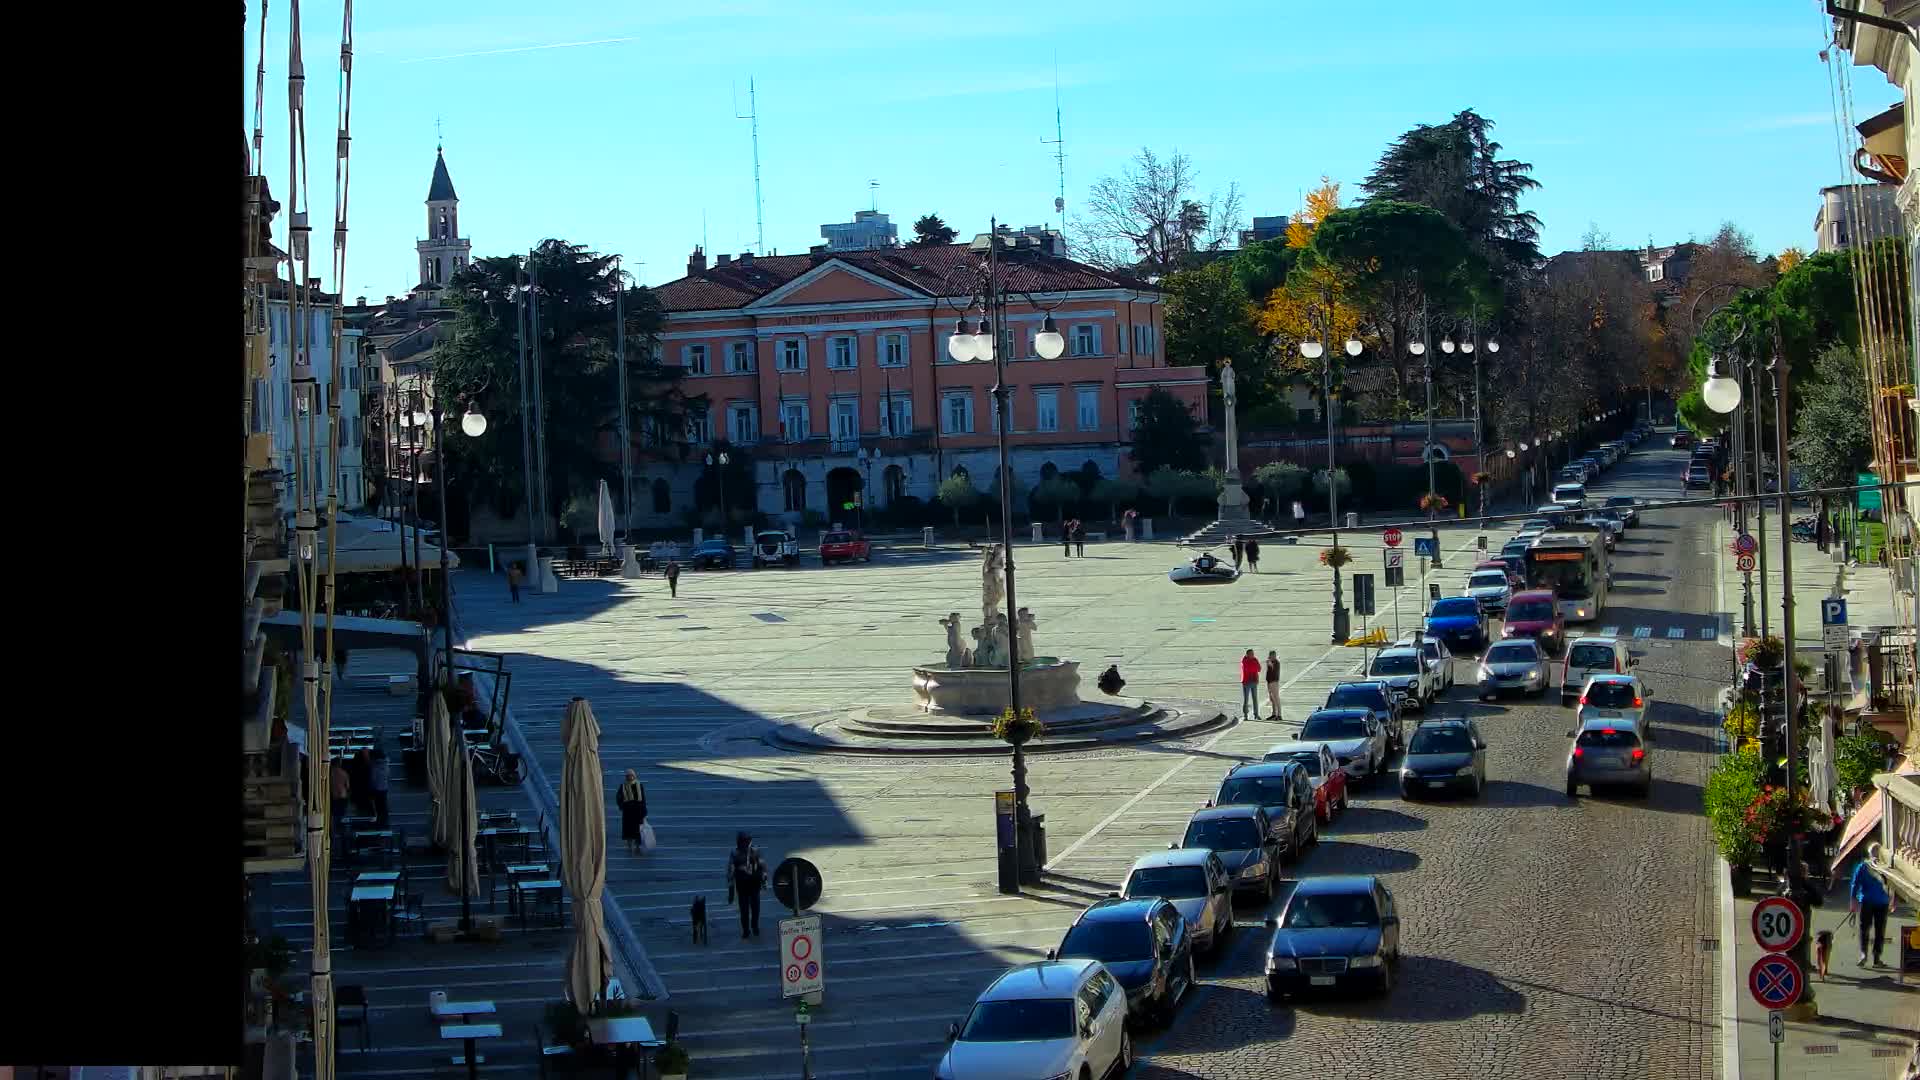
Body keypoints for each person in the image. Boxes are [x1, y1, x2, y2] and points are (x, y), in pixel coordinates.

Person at [1851, 844, 1892, 967]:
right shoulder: (1884, 867)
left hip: (1870, 901)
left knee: (1866, 929)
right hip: (1879, 901)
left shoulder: (1864, 866)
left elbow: (1855, 884)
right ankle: (1875, 957)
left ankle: (1865, 954)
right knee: (1878, 930)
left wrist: (1853, 900)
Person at [726, 831, 768, 939]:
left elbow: (762, 867)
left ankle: (753, 927)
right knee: (746, 910)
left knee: (754, 909)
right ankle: (747, 929)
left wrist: (764, 880)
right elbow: (730, 872)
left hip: (752, 884)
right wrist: (731, 890)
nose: (744, 844)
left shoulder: (754, 851)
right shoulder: (736, 853)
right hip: (744, 885)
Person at [616, 769, 648, 856]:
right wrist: (622, 806)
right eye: (628, 775)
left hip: (638, 810)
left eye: (631, 775)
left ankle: (637, 846)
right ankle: (630, 845)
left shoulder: (639, 785)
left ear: (634, 776)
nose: (630, 777)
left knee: (638, 830)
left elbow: (643, 799)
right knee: (628, 829)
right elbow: (618, 798)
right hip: (628, 811)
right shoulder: (623, 786)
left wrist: (644, 811)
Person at [367, 748, 390, 825]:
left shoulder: (374, 766)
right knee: (383, 804)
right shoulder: (386, 763)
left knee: (378, 805)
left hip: (377, 788)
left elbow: (373, 778)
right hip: (384, 786)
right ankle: (385, 819)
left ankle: (379, 820)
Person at [1239, 648, 1262, 720]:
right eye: (1251, 654)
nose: (1253, 655)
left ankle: (1256, 714)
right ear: (1247, 654)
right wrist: (1254, 664)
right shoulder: (1245, 661)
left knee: (1255, 698)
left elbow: (1259, 669)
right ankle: (1245, 715)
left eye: (1253, 654)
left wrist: (1255, 663)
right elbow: (1249, 669)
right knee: (1246, 699)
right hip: (1246, 682)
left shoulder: (1254, 660)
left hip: (1254, 681)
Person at [330, 755, 352, 825]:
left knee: (332, 815)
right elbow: (347, 786)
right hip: (342, 795)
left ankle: (333, 829)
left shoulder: (330, 773)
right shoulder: (344, 773)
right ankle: (340, 829)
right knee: (340, 816)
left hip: (333, 796)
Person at [1265, 650, 1282, 720]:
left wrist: (1270, 664)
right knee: (1272, 699)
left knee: (1276, 698)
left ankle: (1279, 715)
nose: (1270, 657)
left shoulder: (1276, 662)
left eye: (1272, 656)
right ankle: (1274, 713)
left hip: (1274, 682)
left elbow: (1274, 671)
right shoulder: (1270, 662)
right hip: (1269, 682)